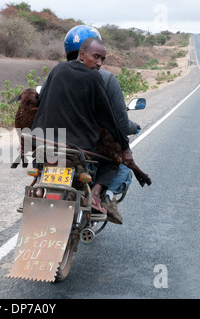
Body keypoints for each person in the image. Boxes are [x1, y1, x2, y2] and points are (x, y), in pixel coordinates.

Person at [31, 37, 133, 224]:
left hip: (44, 141)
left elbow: (40, 102)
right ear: (82, 53)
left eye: (102, 59)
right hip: (77, 147)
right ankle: (95, 195)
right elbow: (109, 117)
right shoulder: (95, 78)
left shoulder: (57, 69)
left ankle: (39, 186)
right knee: (114, 160)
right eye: (96, 57)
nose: (99, 63)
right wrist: (124, 145)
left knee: (41, 159)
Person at [64, 25, 142, 223]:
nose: (98, 62)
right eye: (97, 57)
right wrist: (134, 127)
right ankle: (103, 196)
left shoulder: (56, 73)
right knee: (121, 164)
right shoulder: (105, 79)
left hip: (54, 140)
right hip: (89, 146)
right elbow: (121, 123)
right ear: (86, 51)